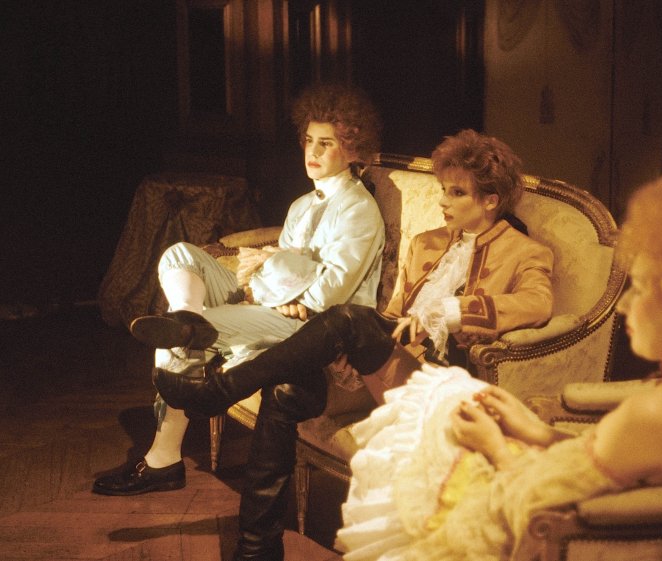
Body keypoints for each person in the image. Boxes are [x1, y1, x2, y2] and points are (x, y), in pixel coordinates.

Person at [144, 129, 555, 561]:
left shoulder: (523, 252)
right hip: (388, 369)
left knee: (349, 317)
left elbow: (537, 303)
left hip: (437, 380)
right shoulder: (427, 243)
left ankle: (221, 390)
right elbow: (393, 315)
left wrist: (452, 312)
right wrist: (348, 353)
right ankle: (257, 546)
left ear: (490, 200)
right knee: (286, 390)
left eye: (457, 193)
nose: (443, 201)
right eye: (442, 190)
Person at [332, 173, 662, 561]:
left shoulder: (653, 415)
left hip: (525, 532)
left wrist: (494, 446)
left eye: (641, 288)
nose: (626, 304)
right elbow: (615, 463)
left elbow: (533, 513)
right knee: (444, 398)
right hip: (556, 492)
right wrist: (533, 430)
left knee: (426, 428)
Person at [92, 83, 385, 506]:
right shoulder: (303, 204)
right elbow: (284, 263)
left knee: (183, 341)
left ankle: (163, 460)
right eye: (308, 140)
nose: (312, 152)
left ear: (353, 149)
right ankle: (186, 316)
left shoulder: (358, 209)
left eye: (326, 143)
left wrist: (287, 293)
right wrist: (265, 286)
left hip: (313, 324)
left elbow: (331, 289)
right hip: (272, 301)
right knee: (180, 255)